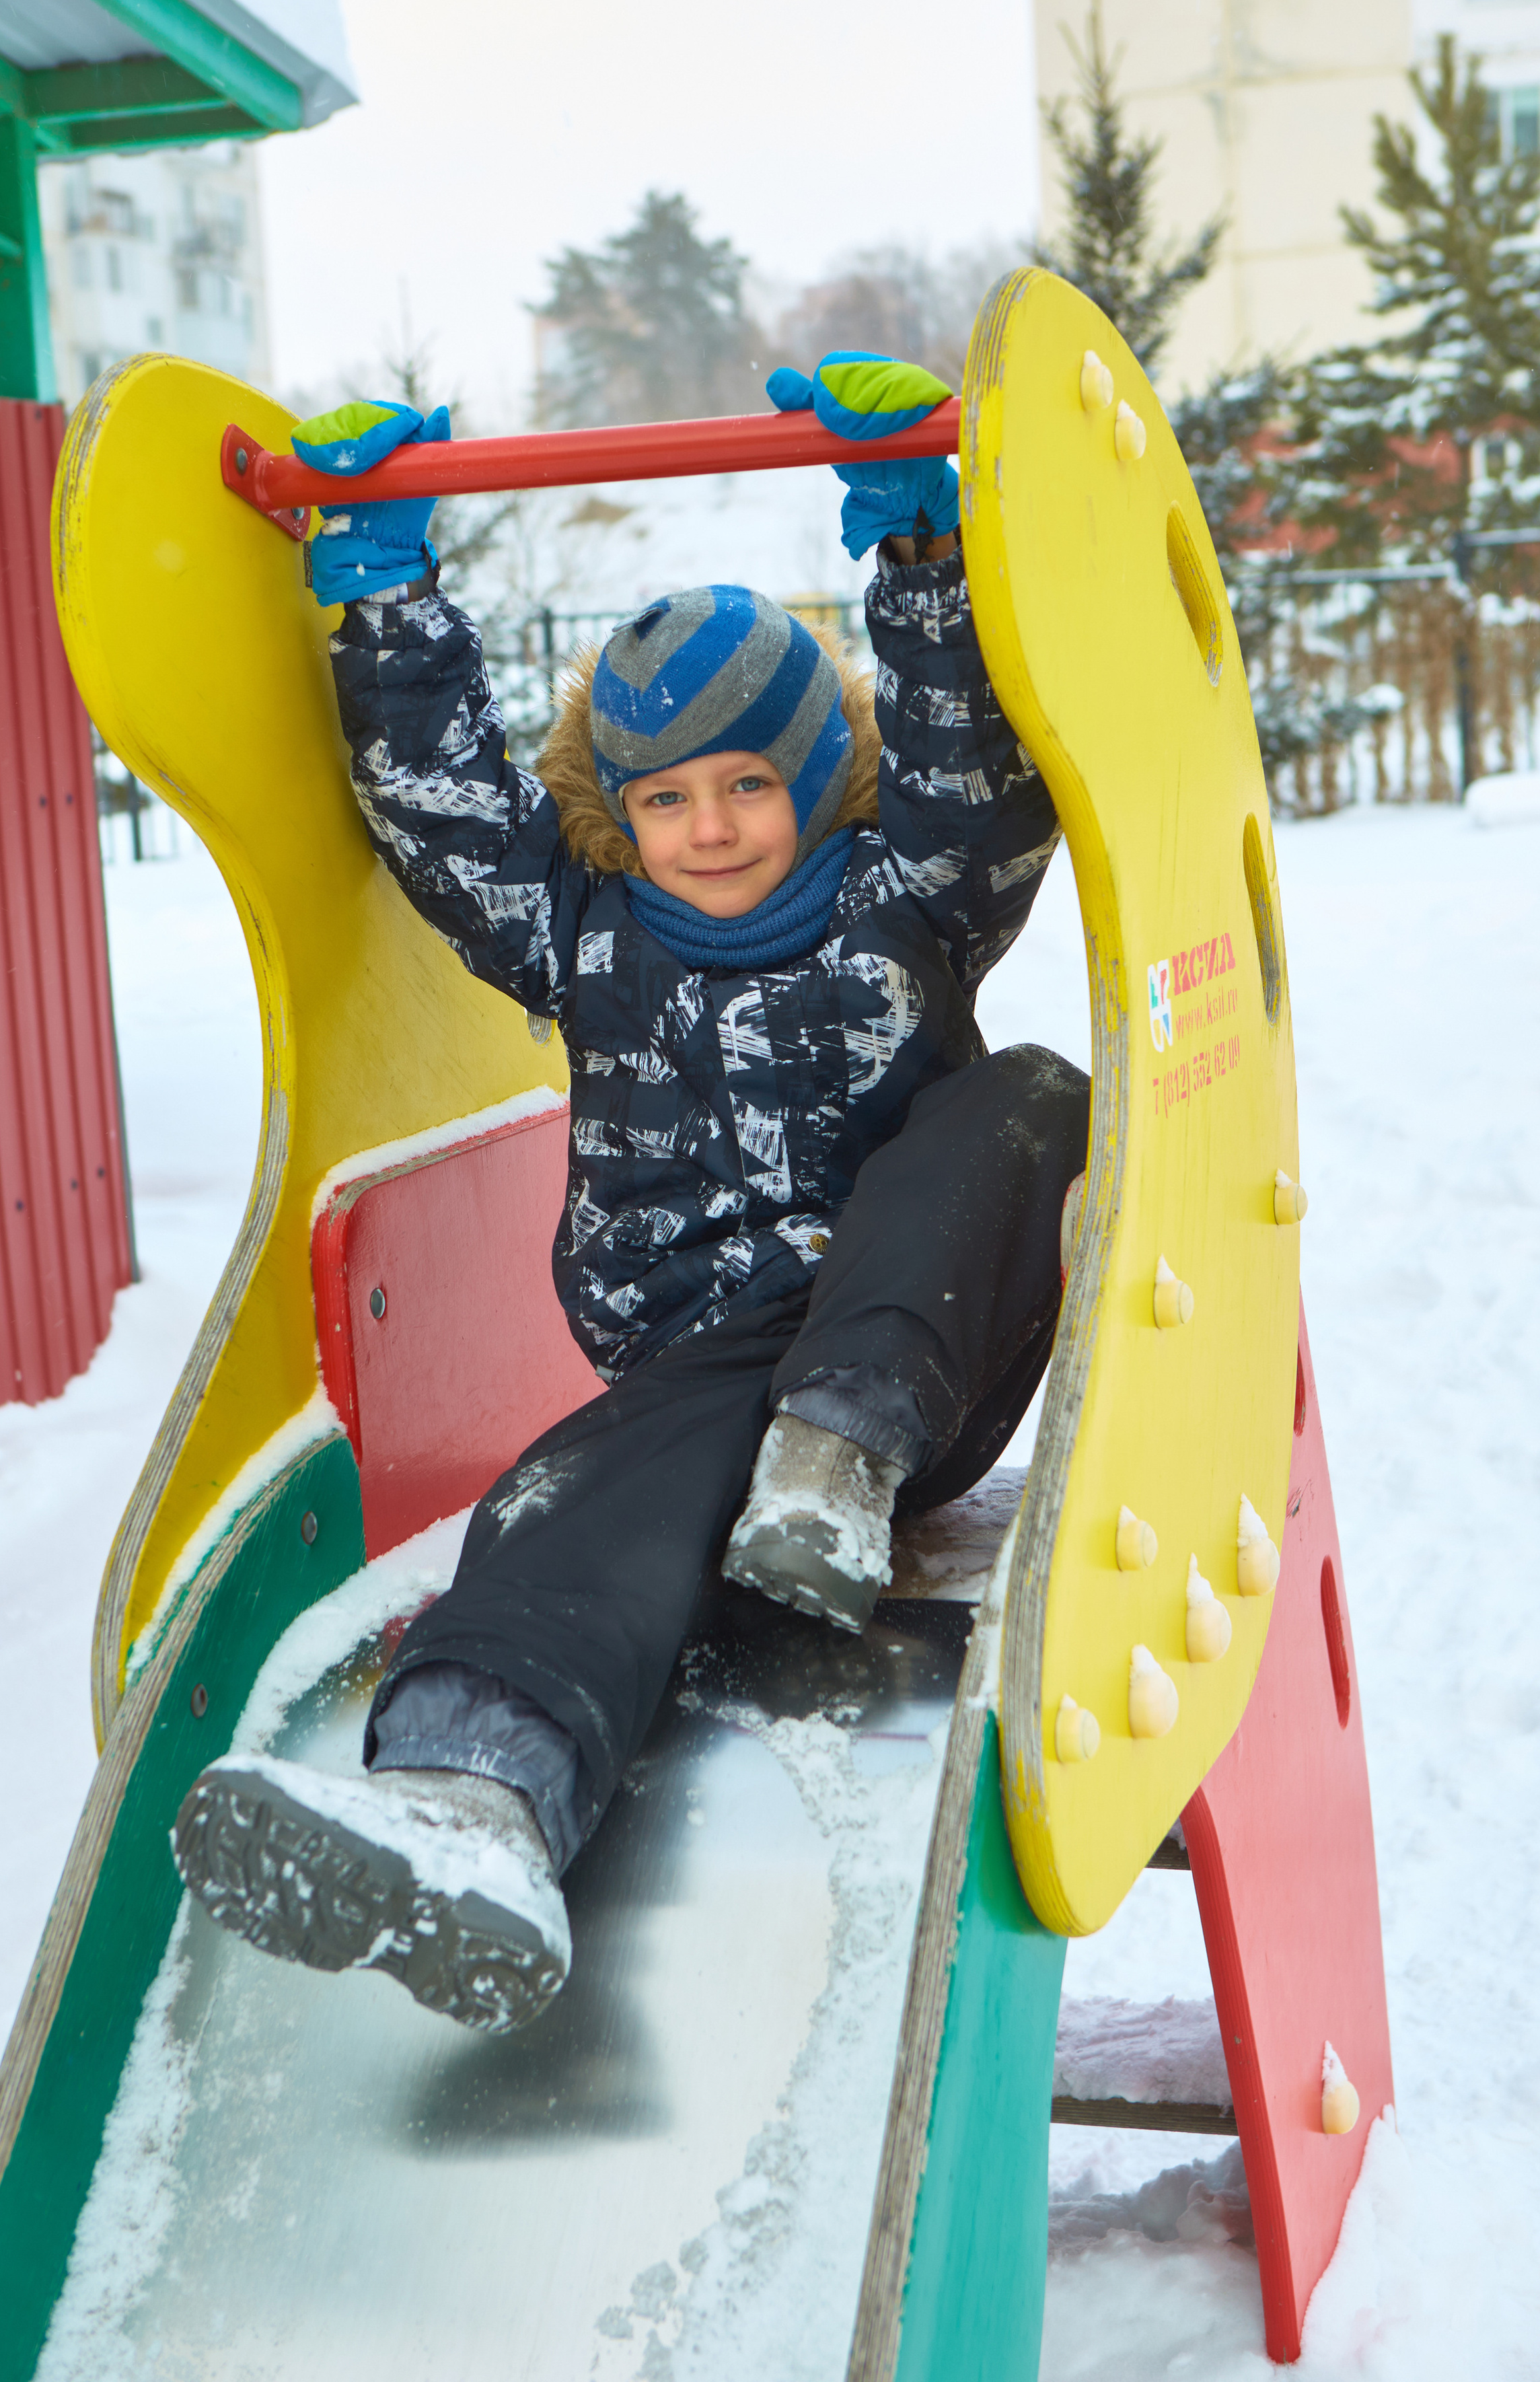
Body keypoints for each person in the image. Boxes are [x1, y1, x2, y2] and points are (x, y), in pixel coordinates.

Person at [172, 351, 1089, 2036]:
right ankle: (474, 1803)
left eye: (749, 784)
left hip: (913, 1364)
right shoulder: (587, 935)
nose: (711, 828)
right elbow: (449, 821)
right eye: (664, 798)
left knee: (1029, 1094)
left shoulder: (909, 896)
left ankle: (839, 1446)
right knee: (573, 1495)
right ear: (623, 810)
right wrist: (380, 594)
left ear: (819, 777)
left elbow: (980, 779)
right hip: (697, 1364)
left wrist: (920, 554)